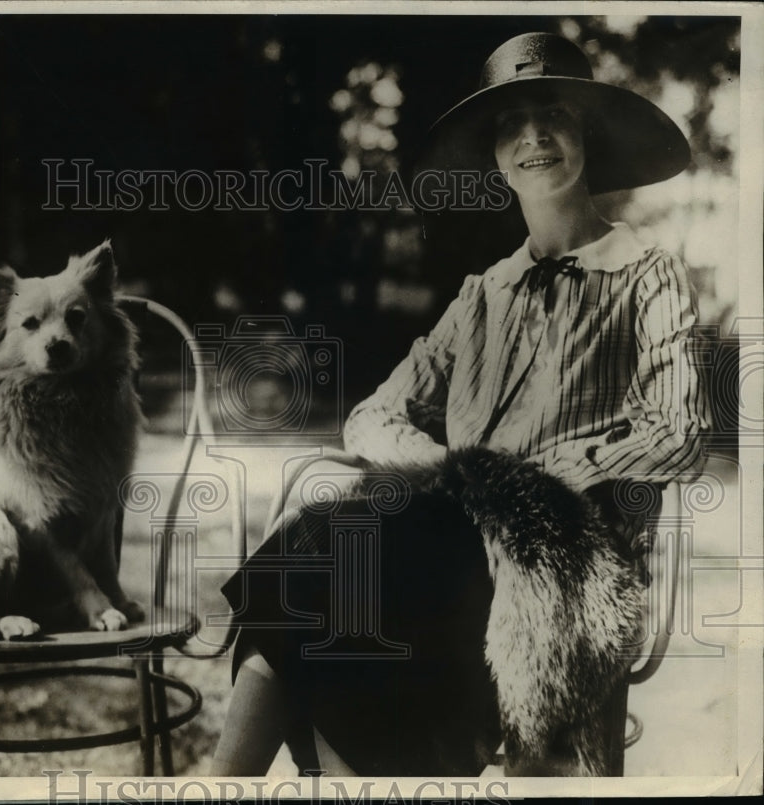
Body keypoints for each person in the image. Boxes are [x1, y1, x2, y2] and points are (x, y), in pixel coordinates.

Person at [211, 32, 711, 777]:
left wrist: (530, 481)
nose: (534, 138)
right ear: (497, 154)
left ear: (590, 137)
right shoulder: (484, 294)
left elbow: (680, 430)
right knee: (314, 553)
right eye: (513, 125)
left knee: (333, 565)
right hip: (449, 535)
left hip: (564, 558)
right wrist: (459, 470)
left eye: (556, 116)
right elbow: (372, 417)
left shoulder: (646, 276)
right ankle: (225, 784)